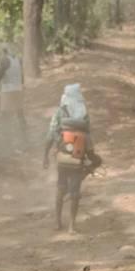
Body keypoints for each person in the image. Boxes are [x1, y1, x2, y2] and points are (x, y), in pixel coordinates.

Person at [42, 84, 102, 233]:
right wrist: (91, 158)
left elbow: (50, 135)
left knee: (60, 187)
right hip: (78, 156)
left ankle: (57, 223)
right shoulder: (84, 112)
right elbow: (88, 134)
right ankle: (72, 226)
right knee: (76, 191)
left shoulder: (60, 111)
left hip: (62, 156)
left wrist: (45, 156)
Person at [0, 44, 27, 144]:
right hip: (18, 89)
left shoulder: (4, 60)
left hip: (8, 91)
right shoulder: (17, 60)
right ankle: (25, 138)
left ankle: (7, 141)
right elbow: (22, 78)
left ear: (3, 51)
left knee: (6, 117)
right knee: (20, 115)